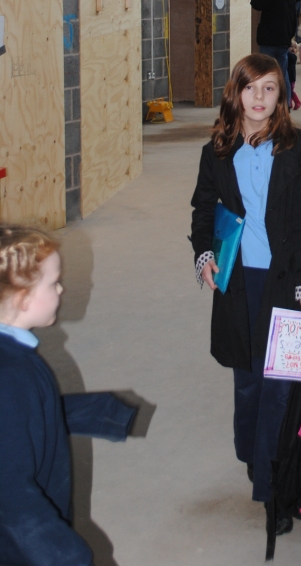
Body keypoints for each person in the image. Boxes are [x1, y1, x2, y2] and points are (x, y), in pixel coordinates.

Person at [190, 54, 301, 539]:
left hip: (285, 283)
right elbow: (202, 209)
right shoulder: (217, 149)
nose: (258, 98)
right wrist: (204, 255)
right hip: (238, 285)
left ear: (281, 97)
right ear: (236, 93)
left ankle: (274, 488)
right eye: (250, 88)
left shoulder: (295, 147)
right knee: (248, 382)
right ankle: (254, 457)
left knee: (280, 387)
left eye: (269, 89)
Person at [0, 226, 135, 566]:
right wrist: (69, 557)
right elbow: (12, 495)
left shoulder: (14, 360)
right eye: (54, 282)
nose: (62, 289)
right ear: (23, 297)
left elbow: (20, 421)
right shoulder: (12, 375)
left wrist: (93, 412)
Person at [250, 0, 297, 106]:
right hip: (282, 41)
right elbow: (293, 19)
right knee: (282, 74)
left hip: (269, 41)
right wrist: (290, 38)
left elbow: (256, 3)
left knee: (266, 73)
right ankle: (286, 103)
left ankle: (267, 102)